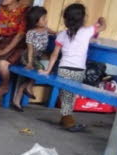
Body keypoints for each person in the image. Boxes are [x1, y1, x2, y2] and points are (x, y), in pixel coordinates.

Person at [41, 3, 106, 131]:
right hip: (79, 71)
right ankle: (68, 120)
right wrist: (101, 20)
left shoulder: (61, 35)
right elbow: (103, 26)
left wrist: (47, 70)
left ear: (65, 19)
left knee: (66, 95)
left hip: (63, 70)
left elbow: (54, 54)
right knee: (70, 95)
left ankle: (66, 118)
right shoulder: (87, 31)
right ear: (82, 19)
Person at [0, 0, 29, 97]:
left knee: (2, 64)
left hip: (15, 45)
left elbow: (20, 35)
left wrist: (3, 51)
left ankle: (4, 86)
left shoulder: (24, 11)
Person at [11, 6, 50, 111]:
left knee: (43, 68)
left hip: (39, 57)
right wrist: (29, 62)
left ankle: (20, 96)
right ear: (35, 21)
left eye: (46, 17)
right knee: (39, 68)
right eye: (43, 18)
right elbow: (30, 49)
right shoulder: (31, 33)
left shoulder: (46, 30)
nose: (46, 20)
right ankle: (24, 91)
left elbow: (55, 33)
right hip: (28, 56)